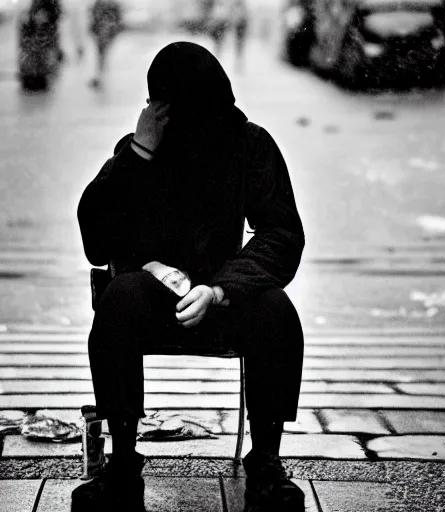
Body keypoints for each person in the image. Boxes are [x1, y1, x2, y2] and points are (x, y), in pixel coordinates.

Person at [72, 42, 306, 511]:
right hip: (154, 299)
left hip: (224, 297)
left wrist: (220, 289)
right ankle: (122, 460)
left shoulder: (248, 144)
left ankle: (266, 459)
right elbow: (97, 241)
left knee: (276, 310)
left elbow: (282, 233)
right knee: (119, 298)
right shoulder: (144, 149)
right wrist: (138, 154)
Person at [88, 0, 122, 88]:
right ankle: (100, 74)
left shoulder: (105, 5)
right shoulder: (105, 4)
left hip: (105, 33)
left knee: (102, 55)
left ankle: (100, 74)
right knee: (101, 55)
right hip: (103, 33)